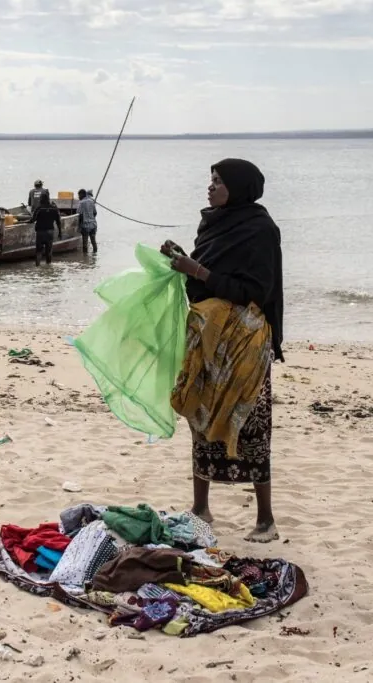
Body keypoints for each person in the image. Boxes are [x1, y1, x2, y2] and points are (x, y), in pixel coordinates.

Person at [162, 158, 284, 543]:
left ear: (239, 187)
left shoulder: (261, 230)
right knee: (200, 415)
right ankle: (201, 508)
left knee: (252, 424)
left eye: (218, 181)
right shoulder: (212, 225)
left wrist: (196, 270)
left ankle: (265, 520)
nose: (210, 186)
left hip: (246, 342)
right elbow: (207, 283)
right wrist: (183, 261)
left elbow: (256, 291)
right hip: (208, 337)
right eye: (210, 179)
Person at [31, 190, 62, 266]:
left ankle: (37, 267)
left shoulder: (39, 208)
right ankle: (48, 267)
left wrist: (26, 221)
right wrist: (60, 232)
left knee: (39, 251)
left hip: (40, 232)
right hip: (50, 232)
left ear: (41, 199)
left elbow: (33, 220)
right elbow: (58, 221)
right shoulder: (54, 208)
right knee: (49, 251)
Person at [77, 189, 98, 253]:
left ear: (82, 195)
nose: (78, 197)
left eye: (79, 195)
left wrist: (79, 226)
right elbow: (95, 213)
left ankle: (85, 257)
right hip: (93, 225)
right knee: (93, 242)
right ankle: (95, 255)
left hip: (85, 226)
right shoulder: (92, 201)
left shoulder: (81, 203)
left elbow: (80, 215)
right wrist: (91, 219)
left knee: (85, 244)